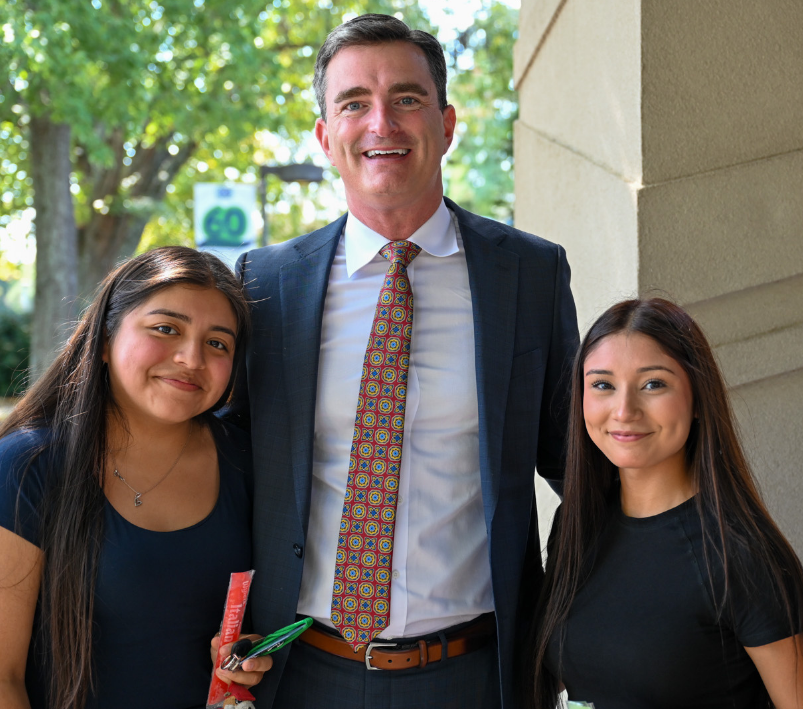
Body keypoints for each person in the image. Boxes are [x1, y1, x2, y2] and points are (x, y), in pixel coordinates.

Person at [222, 13, 579, 709]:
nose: (381, 122)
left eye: (407, 99)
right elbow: (225, 469)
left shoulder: (529, 275)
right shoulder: (266, 283)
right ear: (327, 137)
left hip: (476, 674)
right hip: (304, 673)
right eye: (354, 102)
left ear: (446, 125)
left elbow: (579, 466)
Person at [0, 247, 271, 709]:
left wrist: (240, 656)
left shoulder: (249, 462)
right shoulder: (24, 469)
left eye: (218, 343)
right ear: (103, 339)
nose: (191, 358)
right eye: (166, 329)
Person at [526, 298, 803, 709]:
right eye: (602, 384)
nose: (624, 411)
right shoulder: (578, 523)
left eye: (653, 384)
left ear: (697, 399)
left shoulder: (740, 556)